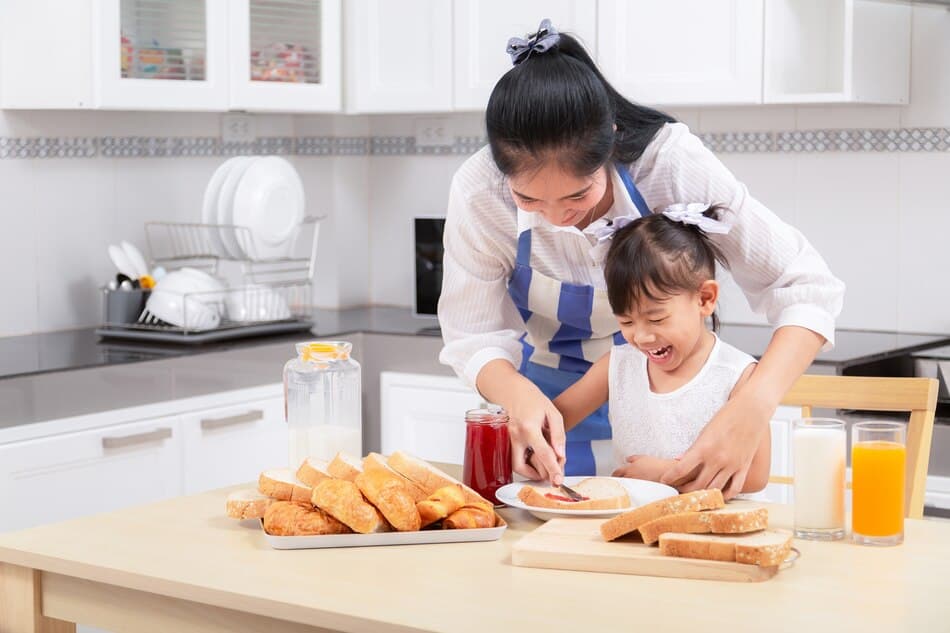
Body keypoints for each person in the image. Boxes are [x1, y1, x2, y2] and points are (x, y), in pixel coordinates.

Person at [437, 19, 844, 496]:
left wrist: (751, 408)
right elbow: (473, 334)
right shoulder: (479, 191)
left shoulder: (669, 165)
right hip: (551, 420)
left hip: (673, 422)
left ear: (610, 142)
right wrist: (518, 397)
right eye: (528, 199)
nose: (558, 218)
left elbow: (804, 286)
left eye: (577, 194)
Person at [552, 204, 770, 492]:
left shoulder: (739, 376)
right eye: (626, 321)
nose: (642, 337)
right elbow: (552, 422)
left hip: (714, 517)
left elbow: (756, 477)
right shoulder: (617, 366)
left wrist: (666, 474)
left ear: (704, 299)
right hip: (631, 516)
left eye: (656, 319)